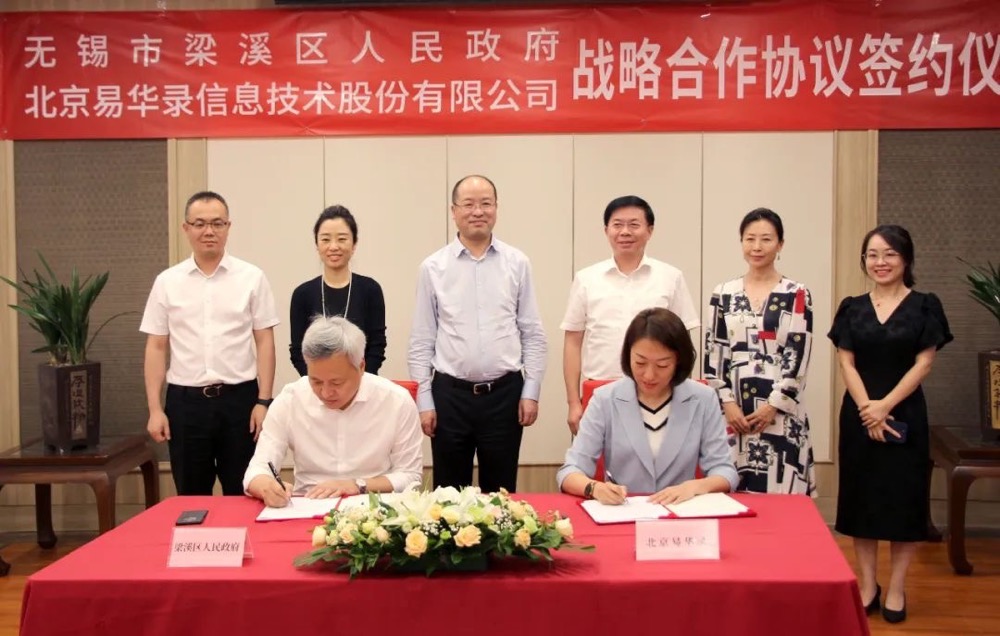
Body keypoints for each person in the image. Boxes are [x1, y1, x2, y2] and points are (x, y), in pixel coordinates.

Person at [828, 224, 952, 624]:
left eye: (889, 254)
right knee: (861, 501)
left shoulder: (925, 305)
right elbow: (846, 361)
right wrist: (868, 408)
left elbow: (924, 362)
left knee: (903, 501)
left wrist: (885, 406)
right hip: (859, 413)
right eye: (872, 255)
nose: (880, 262)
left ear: (906, 259)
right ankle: (868, 585)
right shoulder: (852, 307)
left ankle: (897, 587)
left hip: (905, 413)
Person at [408, 174, 547, 493]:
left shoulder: (517, 262)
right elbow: (421, 341)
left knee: (501, 495)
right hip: (449, 396)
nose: (478, 211)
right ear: (453, 211)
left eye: (486, 203)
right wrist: (424, 400)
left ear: (496, 208)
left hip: (504, 395)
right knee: (448, 497)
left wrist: (531, 391)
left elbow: (532, 333)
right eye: (468, 204)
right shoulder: (433, 267)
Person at [141, 191, 279, 496]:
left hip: (240, 402)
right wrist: (155, 409)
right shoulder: (167, 281)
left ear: (228, 227)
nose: (209, 231)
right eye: (200, 223)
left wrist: (264, 402)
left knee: (245, 491)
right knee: (191, 496)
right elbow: (156, 347)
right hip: (186, 405)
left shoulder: (252, 277)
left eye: (217, 223)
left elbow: (264, 340)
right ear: (186, 228)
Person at [557, 308, 737, 505]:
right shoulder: (605, 399)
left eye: (662, 365)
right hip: (622, 511)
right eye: (640, 363)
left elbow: (724, 471)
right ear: (628, 355)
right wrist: (595, 488)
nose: (649, 375)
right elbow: (570, 471)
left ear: (679, 361)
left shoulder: (703, 398)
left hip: (680, 512)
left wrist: (694, 487)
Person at [244, 316, 422, 507]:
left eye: (336, 383)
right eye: (316, 381)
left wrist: (357, 485)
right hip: (308, 504)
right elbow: (257, 469)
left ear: (361, 366)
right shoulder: (290, 400)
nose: (326, 392)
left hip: (373, 507)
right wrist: (267, 486)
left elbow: (410, 476)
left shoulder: (396, 401)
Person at [561, 195, 699, 435]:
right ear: (606, 230)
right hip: (600, 390)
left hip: (658, 392)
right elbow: (573, 342)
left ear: (650, 230)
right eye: (617, 225)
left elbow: (683, 343)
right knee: (599, 459)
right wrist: (574, 402)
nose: (625, 232)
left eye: (634, 225)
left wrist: (682, 395)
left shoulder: (670, 277)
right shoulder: (586, 279)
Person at [703, 208, 816, 495]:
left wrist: (772, 406)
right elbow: (713, 353)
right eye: (749, 238)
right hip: (734, 411)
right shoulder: (723, 293)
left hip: (781, 410)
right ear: (741, 242)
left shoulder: (796, 293)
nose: (757, 246)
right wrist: (727, 403)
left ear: (780, 244)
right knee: (731, 489)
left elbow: (798, 354)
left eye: (766, 239)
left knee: (781, 492)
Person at [289, 205, 387, 376]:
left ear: (354, 244)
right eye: (325, 239)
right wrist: (319, 382)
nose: (333, 246)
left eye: (342, 239)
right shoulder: (302, 294)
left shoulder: (370, 290)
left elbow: (377, 347)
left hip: (363, 383)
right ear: (316, 244)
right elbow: (298, 351)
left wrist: (356, 380)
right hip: (315, 387)